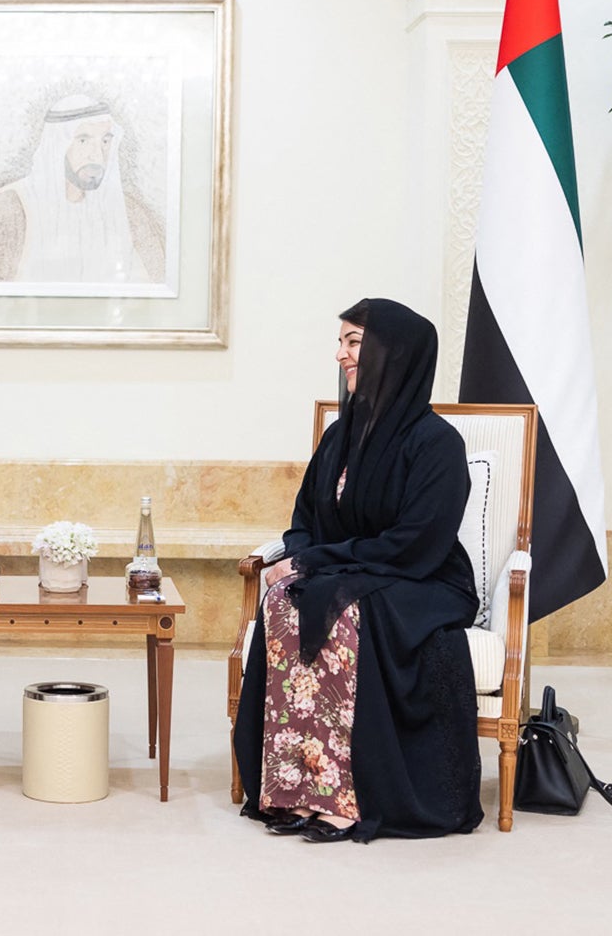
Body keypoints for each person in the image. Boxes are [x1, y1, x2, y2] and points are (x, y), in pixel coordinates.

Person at [232, 298, 483, 843]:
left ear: (393, 354)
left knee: (339, 609)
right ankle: (295, 788)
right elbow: (304, 519)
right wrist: (300, 560)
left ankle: (346, 799)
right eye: (341, 342)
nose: (341, 354)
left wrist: (314, 561)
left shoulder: (437, 443)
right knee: (287, 600)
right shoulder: (340, 436)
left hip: (422, 578)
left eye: (354, 342)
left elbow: (416, 542)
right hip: (353, 570)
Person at [0, 93, 164, 286]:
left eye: (105, 141)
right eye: (83, 141)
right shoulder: (5, 210)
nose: (97, 156)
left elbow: (157, 288)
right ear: (57, 146)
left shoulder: (130, 213)